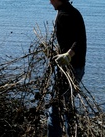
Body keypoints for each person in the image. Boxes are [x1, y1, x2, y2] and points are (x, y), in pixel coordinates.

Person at [47, 0, 87, 136]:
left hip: (71, 68)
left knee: (55, 108)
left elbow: (79, 40)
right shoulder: (72, 12)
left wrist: (68, 55)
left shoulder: (65, 15)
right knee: (67, 107)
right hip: (77, 67)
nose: (49, 2)